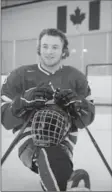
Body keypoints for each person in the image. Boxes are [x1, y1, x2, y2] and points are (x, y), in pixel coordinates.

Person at [1, 28, 95, 191]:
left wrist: (77, 104)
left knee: (52, 155)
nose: (49, 52)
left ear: (64, 50)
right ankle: (66, 182)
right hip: (29, 135)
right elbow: (5, 118)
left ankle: (64, 182)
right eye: (45, 46)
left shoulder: (76, 77)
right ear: (39, 48)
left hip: (64, 135)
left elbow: (87, 118)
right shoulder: (20, 75)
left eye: (54, 47)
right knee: (44, 145)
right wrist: (24, 101)